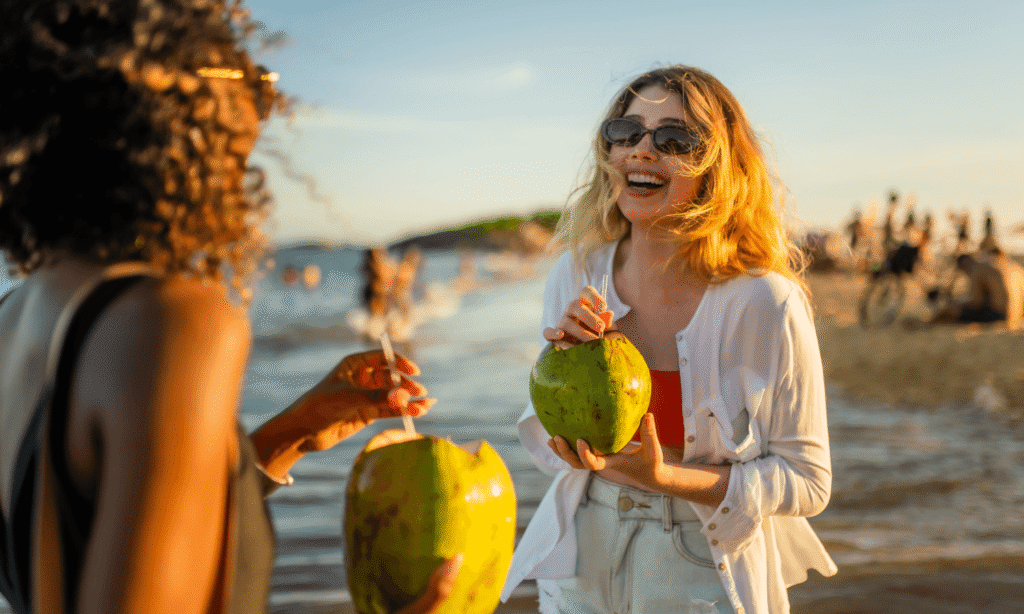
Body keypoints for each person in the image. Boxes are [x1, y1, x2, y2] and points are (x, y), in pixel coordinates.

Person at [0, 1, 456, 613]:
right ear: (176, 104)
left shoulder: (20, 312)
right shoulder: (168, 320)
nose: (266, 106)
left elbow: (93, 528)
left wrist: (294, 430)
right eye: (253, 79)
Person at [500, 66, 836, 614]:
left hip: (702, 557)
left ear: (717, 168)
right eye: (625, 132)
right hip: (585, 546)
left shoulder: (764, 301)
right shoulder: (576, 271)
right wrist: (562, 408)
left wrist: (668, 478)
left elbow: (808, 482)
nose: (642, 150)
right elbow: (551, 450)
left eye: (675, 139)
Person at [930, 250, 1024, 330]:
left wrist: (958, 305)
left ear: (964, 264)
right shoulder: (1014, 267)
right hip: (1015, 316)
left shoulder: (977, 270)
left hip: (998, 315)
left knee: (951, 311)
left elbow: (976, 302)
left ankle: (928, 325)